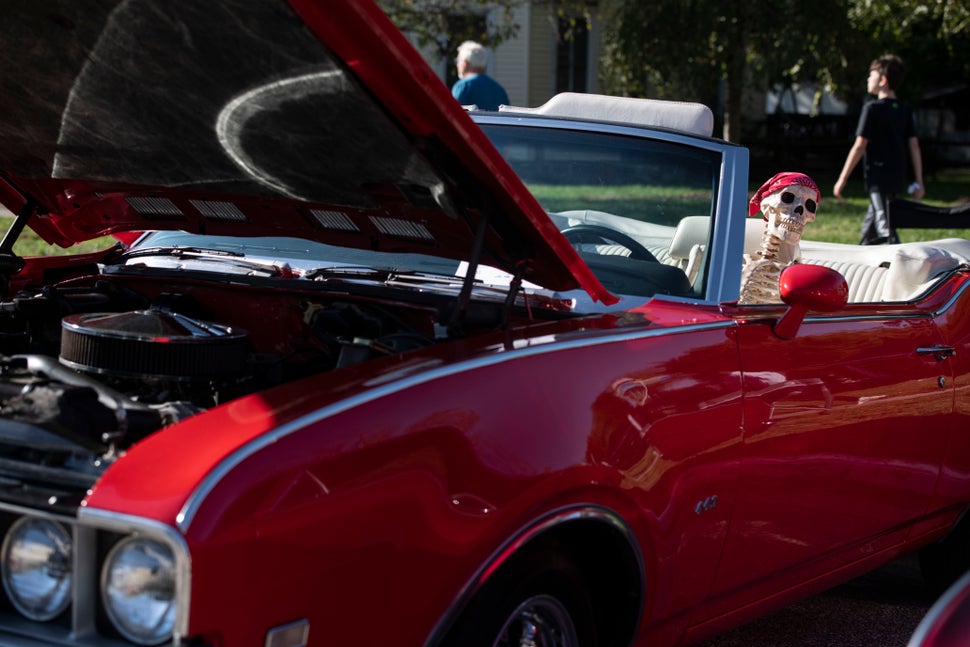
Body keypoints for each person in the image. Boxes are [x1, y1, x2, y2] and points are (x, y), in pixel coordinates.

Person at [833, 54, 925, 245]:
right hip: (897, 176)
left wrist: (842, 179)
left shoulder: (872, 108)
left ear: (882, 80)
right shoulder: (904, 109)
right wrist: (919, 180)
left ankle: (901, 259)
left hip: (878, 176)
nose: (868, 79)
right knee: (871, 224)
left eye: (871, 75)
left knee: (885, 225)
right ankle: (860, 254)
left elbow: (859, 146)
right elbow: (914, 145)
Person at [451, 41, 509, 111]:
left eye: (458, 60)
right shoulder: (499, 90)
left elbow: (453, 114)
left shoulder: (463, 86)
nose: (457, 64)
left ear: (465, 63)